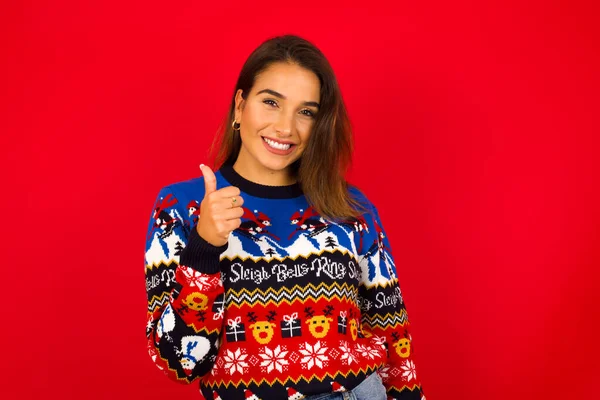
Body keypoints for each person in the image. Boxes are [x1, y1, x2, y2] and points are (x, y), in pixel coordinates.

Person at [144, 35, 425, 400]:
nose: (285, 127)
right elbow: (180, 362)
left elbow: (394, 342)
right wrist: (204, 246)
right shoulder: (181, 206)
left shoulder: (350, 208)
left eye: (306, 112)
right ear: (240, 104)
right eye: (271, 102)